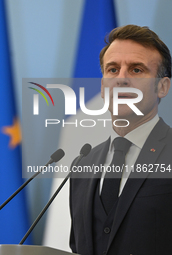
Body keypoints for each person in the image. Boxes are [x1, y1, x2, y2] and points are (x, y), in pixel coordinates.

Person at [69, 24, 172, 255]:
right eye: (112, 70)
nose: (121, 79)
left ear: (162, 87)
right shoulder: (81, 165)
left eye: (136, 70)